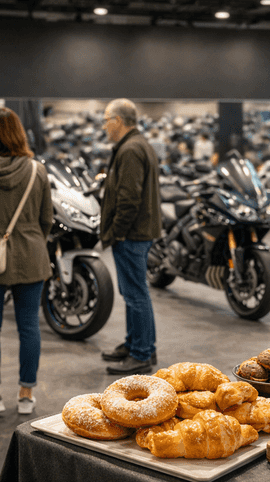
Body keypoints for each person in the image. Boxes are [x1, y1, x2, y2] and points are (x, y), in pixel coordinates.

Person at [0, 108, 53, 415]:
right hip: (32, 255)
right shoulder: (36, 170)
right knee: (29, 326)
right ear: (19, 132)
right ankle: (26, 396)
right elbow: (47, 219)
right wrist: (31, 238)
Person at [99, 99, 162, 375]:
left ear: (118, 121)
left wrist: (116, 233)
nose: (104, 126)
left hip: (131, 234)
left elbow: (129, 200)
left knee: (136, 294)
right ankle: (136, 342)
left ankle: (141, 354)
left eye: (106, 120)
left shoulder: (131, 149)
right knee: (132, 293)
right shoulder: (135, 145)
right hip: (136, 232)